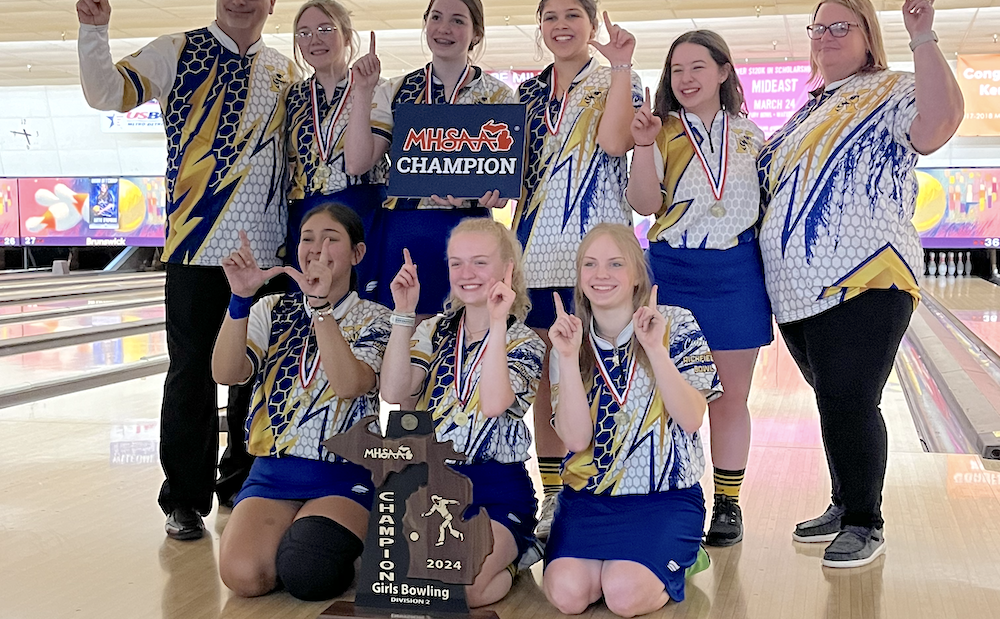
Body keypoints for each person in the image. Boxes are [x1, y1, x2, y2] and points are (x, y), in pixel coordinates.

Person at [76, 0, 297, 539]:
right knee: (191, 376)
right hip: (197, 248)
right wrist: (93, 31)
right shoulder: (177, 49)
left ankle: (244, 482)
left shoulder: (284, 72)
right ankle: (184, 498)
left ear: (271, 3)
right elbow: (106, 94)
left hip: (266, 254)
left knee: (258, 376)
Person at [757, 0, 963, 568]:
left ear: (868, 35)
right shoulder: (807, 109)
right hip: (798, 292)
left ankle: (865, 522)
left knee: (850, 398)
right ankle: (844, 500)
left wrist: (923, 36)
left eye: (839, 27)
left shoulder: (893, 88)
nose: (824, 37)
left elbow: (937, 124)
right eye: (816, 27)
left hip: (867, 276)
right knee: (834, 402)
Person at [626, 30, 772, 547]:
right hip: (670, 272)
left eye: (697, 68)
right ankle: (667, 494)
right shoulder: (659, 130)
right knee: (666, 393)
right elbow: (645, 204)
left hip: (735, 275)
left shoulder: (752, 135)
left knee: (729, 398)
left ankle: (728, 504)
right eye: (677, 70)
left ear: (723, 72)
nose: (685, 79)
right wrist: (643, 146)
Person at [512, 0, 643, 539]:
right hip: (534, 256)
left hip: (599, 262)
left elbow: (615, 145)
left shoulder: (620, 78)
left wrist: (618, 67)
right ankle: (553, 497)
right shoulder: (526, 94)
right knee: (545, 382)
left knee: (599, 379)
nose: (560, 25)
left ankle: (602, 490)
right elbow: (511, 173)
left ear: (592, 23)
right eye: (550, 17)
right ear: (539, 27)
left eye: (572, 16)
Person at [213, 202, 390, 601]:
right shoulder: (272, 309)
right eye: (308, 239)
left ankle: (351, 544)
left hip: (344, 475)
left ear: (357, 254)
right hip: (273, 475)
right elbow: (225, 373)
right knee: (243, 577)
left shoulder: (377, 318)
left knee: (308, 571)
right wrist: (240, 298)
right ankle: (297, 539)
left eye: (332, 239)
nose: (317, 248)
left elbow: (349, 384)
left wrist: (322, 308)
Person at [542, 224, 719, 616]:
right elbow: (574, 440)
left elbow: (691, 419)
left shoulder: (676, 323)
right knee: (568, 596)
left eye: (615, 264)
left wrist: (655, 350)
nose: (600, 274)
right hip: (589, 500)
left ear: (637, 274)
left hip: (664, 499)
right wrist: (568, 358)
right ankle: (625, 563)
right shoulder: (568, 336)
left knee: (622, 595)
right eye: (590, 264)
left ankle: (684, 556)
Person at [380, 218, 544, 607]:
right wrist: (404, 313)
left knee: (465, 590)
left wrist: (497, 323)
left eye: (480, 263)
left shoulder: (526, 341)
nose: (466, 274)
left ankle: (515, 557)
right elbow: (393, 390)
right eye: (457, 263)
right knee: (407, 584)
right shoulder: (435, 329)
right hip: (429, 486)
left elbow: (492, 404)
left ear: (508, 269)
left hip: (495, 489)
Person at [345, 0, 512, 316]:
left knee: (466, 333)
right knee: (402, 336)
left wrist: (494, 194)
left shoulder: (499, 97)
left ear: (476, 32)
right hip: (406, 230)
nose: (444, 29)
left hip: (470, 231)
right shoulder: (396, 89)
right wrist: (363, 92)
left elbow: (504, 187)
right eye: (435, 18)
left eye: (457, 20)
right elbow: (357, 162)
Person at [285, 0, 388, 292]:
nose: (314, 40)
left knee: (363, 304)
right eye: (303, 33)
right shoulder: (292, 97)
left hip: (362, 211)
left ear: (346, 35)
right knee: (310, 306)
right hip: (306, 216)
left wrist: (362, 91)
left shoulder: (379, 90)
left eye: (325, 29)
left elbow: (366, 162)